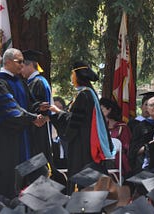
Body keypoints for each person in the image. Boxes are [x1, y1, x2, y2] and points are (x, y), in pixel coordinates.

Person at [0, 48, 45, 200]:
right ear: (7, 62)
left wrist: (39, 108)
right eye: (19, 61)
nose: (22, 64)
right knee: (9, 182)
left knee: (27, 180)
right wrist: (33, 117)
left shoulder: (20, 82)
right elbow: (10, 111)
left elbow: (28, 105)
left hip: (24, 137)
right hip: (8, 141)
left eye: (23, 61)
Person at [49, 61, 115, 193]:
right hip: (85, 141)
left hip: (81, 144)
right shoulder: (88, 93)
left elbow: (74, 121)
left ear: (77, 76)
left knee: (81, 173)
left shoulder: (83, 95)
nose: (71, 78)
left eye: (72, 74)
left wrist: (57, 113)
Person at [20, 49, 54, 165]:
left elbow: (42, 108)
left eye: (22, 66)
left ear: (30, 65)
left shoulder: (38, 82)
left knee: (38, 162)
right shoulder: (34, 82)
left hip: (38, 130)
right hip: (34, 129)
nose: (20, 70)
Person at [100, 97, 132, 176]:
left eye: (102, 109)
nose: (99, 111)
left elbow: (126, 147)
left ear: (109, 110)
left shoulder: (122, 128)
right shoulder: (101, 128)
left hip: (116, 160)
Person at [51, 96, 68, 169]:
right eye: (55, 108)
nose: (56, 111)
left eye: (59, 108)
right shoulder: (47, 124)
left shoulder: (67, 124)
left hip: (66, 158)